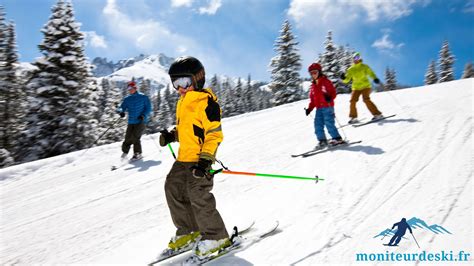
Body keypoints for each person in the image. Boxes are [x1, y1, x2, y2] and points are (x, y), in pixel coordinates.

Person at [158, 56, 230, 259]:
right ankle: (189, 231)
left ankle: (217, 236)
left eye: (184, 83)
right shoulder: (183, 102)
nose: (180, 88)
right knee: (172, 188)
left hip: (201, 159)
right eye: (176, 84)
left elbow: (214, 134)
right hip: (183, 158)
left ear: (197, 79)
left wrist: (206, 160)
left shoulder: (207, 103)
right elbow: (187, 130)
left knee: (198, 195)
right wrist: (172, 135)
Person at [305, 63, 345, 148]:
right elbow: (313, 100)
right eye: (311, 73)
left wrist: (330, 97)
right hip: (319, 108)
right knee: (317, 124)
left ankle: (337, 138)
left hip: (327, 106)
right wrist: (309, 109)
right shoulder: (312, 86)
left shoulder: (326, 81)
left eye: (315, 72)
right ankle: (322, 140)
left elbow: (333, 93)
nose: (313, 75)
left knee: (329, 122)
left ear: (319, 72)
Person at [341, 52, 383, 124]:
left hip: (365, 86)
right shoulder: (350, 69)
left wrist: (375, 78)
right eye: (354, 58)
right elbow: (347, 80)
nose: (356, 59)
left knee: (366, 99)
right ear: (353, 59)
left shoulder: (364, 66)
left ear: (360, 58)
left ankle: (378, 114)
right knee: (352, 101)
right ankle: (354, 117)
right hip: (356, 88)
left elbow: (371, 73)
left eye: (357, 57)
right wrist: (343, 78)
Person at [116, 81, 151, 160]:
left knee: (136, 137)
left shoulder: (143, 97)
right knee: (127, 137)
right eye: (128, 88)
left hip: (141, 121)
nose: (130, 90)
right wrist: (121, 112)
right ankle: (125, 152)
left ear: (135, 88)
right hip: (131, 121)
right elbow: (121, 107)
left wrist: (143, 115)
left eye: (131, 88)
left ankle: (137, 153)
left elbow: (148, 108)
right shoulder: (127, 99)